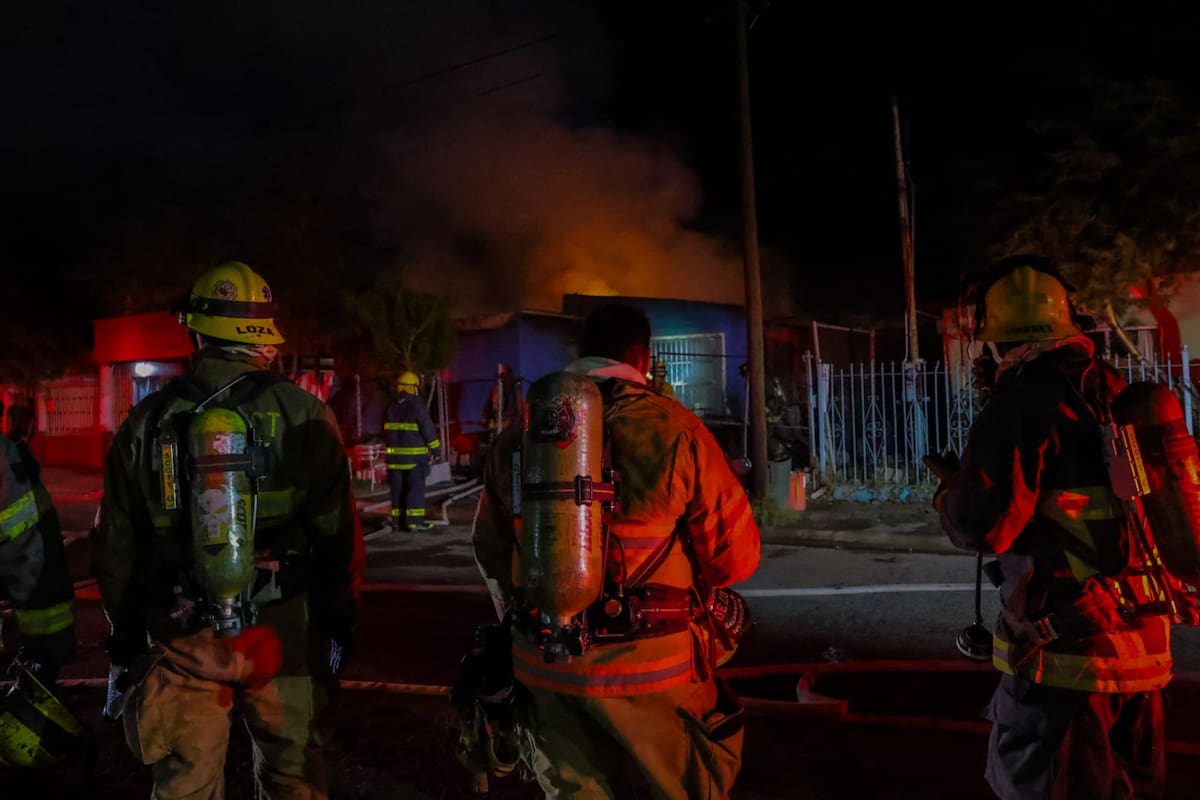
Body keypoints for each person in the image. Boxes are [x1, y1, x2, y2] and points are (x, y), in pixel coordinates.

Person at [92, 261, 364, 799]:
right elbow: (340, 539)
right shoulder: (304, 412)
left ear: (195, 330)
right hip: (282, 635)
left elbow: (114, 549)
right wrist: (338, 626)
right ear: (264, 337)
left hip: (183, 637)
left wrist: (127, 642)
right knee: (294, 781)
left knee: (186, 786)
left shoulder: (145, 422)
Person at [471, 302, 761, 799]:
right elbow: (735, 559)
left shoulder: (518, 437)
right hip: (653, 672)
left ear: (579, 353)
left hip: (545, 665)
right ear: (643, 358)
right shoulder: (677, 430)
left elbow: (490, 551)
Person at [931, 256, 1173, 799]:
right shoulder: (1114, 391)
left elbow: (980, 527)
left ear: (994, 336)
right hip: (1143, 657)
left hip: (1068, 668)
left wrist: (949, 495)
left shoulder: (1020, 406)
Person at [383, 371, 440, 532]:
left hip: (394, 459)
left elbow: (385, 432)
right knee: (415, 489)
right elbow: (427, 430)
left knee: (397, 490)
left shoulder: (391, 407)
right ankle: (414, 522)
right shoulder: (417, 406)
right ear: (412, 387)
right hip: (415, 459)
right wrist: (436, 450)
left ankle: (397, 522)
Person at [481, 362, 524, 436]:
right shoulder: (495, 391)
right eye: (501, 376)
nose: (502, 379)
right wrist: (490, 423)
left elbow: (520, 411)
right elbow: (486, 414)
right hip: (497, 429)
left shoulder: (515, 390)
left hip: (510, 430)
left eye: (505, 375)